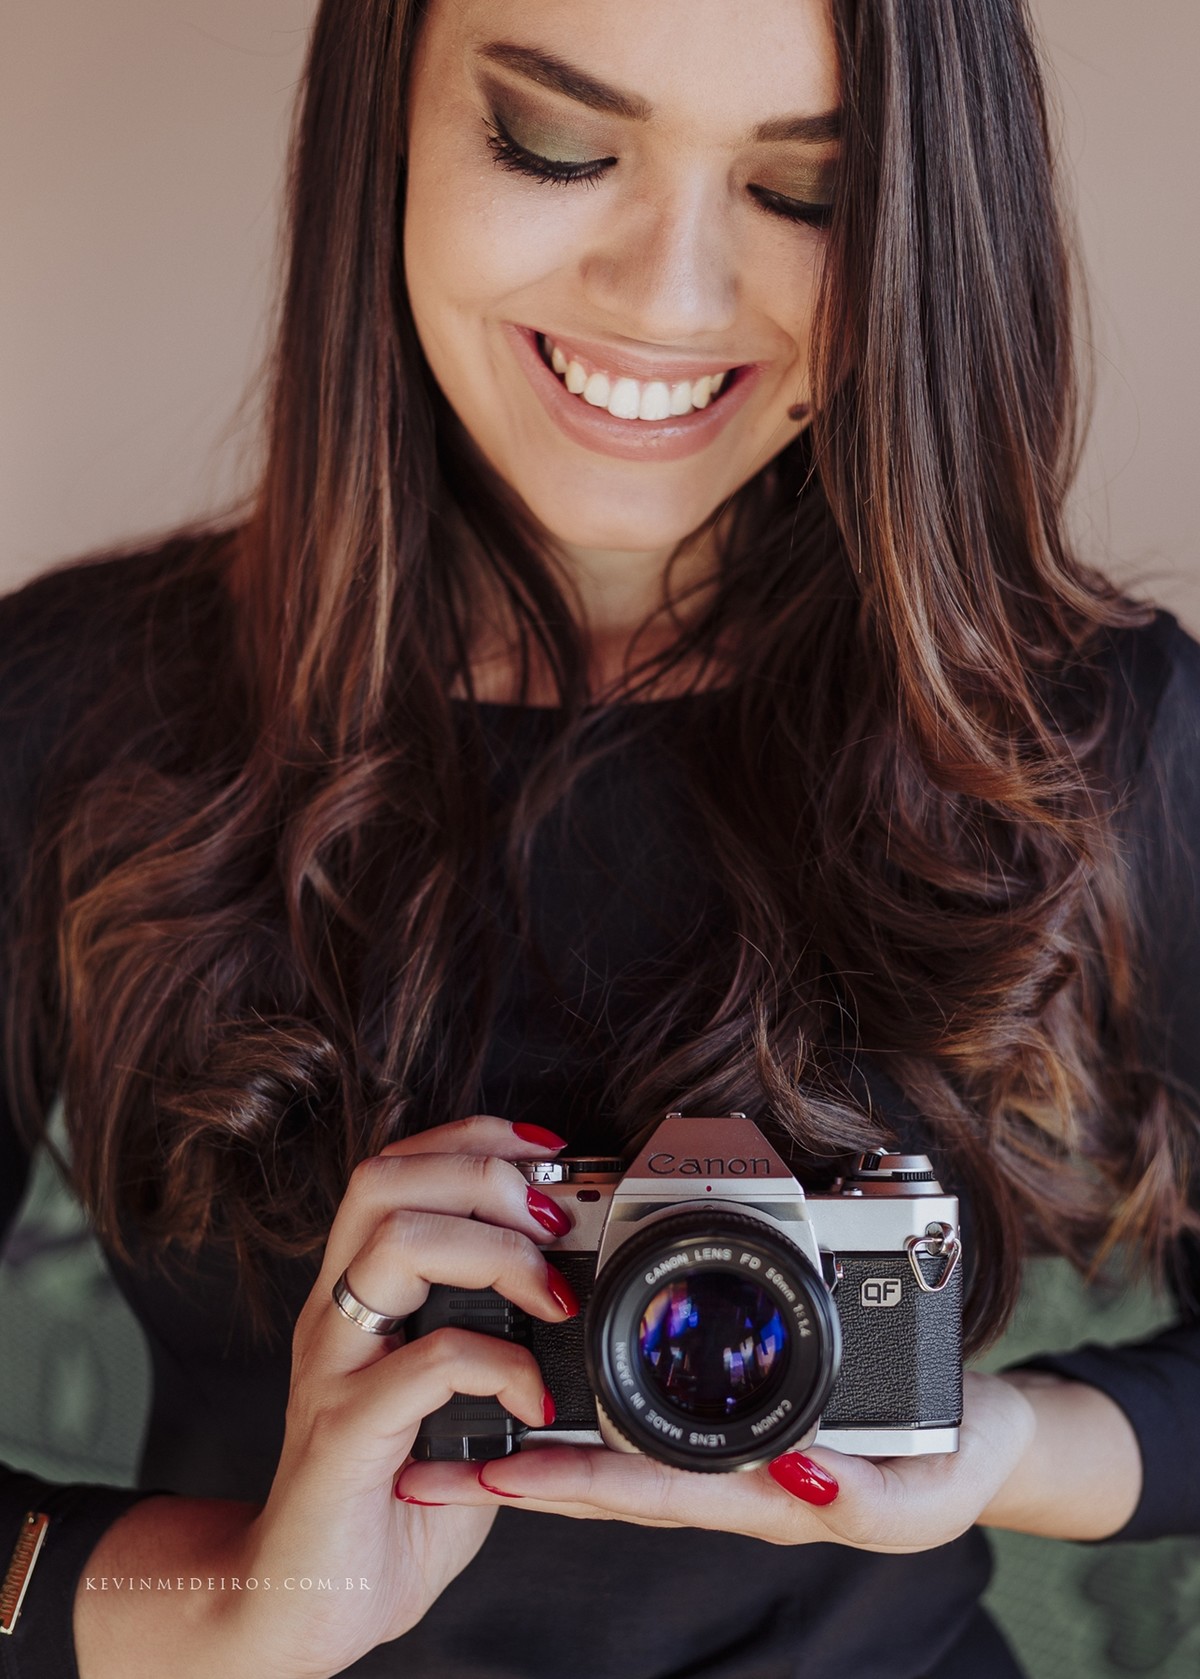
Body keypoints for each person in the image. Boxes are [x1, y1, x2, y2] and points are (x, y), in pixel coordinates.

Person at [2, 0, 1199, 1675]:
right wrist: (230, 1607)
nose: (671, 296)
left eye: (813, 195)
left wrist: (993, 1450)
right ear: (384, 125)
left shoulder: (1092, 725)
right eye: (557, 144)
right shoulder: (67, 706)